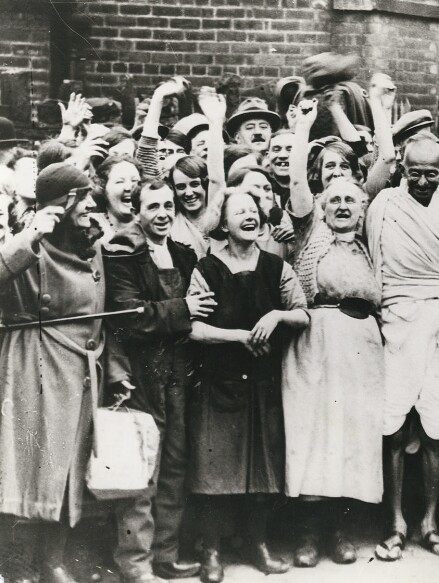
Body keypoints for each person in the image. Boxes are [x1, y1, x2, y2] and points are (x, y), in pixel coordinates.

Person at [0, 162, 133, 583]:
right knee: (31, 465)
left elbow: (102, 316)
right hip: (34, 368)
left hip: (81, 369)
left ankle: (52, 559)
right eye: (83, 201)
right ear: (62, 204)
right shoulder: (29, 247)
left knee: (68, 469)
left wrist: (115, 370)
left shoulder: (91, 247)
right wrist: (29, 236)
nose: (91, 210)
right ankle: (18, 565)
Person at [366, 132, 439, 561]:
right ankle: (394, 523)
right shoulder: (385, 206)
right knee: (394, 428)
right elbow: (378, 263)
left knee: (436, 428)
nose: (421, 182)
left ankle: (430, 522)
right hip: (396, 320)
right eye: (414, 173)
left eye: (431, 175)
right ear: (403, 170)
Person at [186, 189, 309, 583]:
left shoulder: (277, 268)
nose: (249, 216)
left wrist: (276, 315)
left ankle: (258, 545)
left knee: (263, 469)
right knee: (213, 469)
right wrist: (239, 336)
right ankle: (211, 550)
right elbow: (195, 328)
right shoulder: (206, 269)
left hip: (263, 383)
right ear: (223, 224)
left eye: (254, 211)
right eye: (239, 212)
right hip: (218, 384)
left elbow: (303, 314)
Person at [281, 100, 384, 567]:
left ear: (363, 207)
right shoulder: (309, 229)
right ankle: (305, 533)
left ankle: (340, 530)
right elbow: (298, 183)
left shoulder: (370, 239)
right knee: (312, 433)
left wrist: (379, 110)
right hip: (314, 342)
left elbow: (384, 164)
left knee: (351, 435)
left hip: (362, 344)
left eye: (351, 200)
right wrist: (302, 128)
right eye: (334, 199)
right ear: (322, 203)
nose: (342, 204)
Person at [104, 179, 211, 583]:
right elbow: (128, 316)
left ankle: (166, 555)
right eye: (154, 206)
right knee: (141, 469)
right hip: (142, 370)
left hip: (179, 370)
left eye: (169, 204)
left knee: (175, 464)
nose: (164, 212)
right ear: (137, 209)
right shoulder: (122, 249)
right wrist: (183, 307)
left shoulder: (182, 252)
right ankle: (136, 565)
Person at [166, 92, 227, 258]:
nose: (188, 193)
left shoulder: (218, 214)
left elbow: (217, 179)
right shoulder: (170, 221)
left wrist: (215, 123)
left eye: (194, 184)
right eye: (180, 187)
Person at [93, 154, 142, 237]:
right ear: (103, 187)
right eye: (120, 181)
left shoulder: (151, 224)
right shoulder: (90, 224)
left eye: (134, 180)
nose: (129, 187)